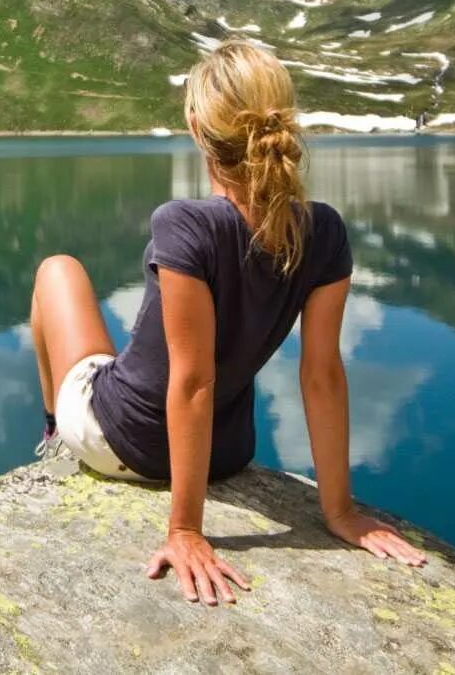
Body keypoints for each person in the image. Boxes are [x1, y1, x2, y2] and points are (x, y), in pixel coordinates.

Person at [28, 40, 426, 606]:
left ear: (197, 126)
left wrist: (185, 531)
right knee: (136, 353)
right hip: (226, 452)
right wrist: (340, 512)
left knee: (57, 270)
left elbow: (191, 382)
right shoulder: (327, 231)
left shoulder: (184, 224)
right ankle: (74, 432)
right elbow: (322, 377)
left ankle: (55, 436)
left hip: (122, 441)